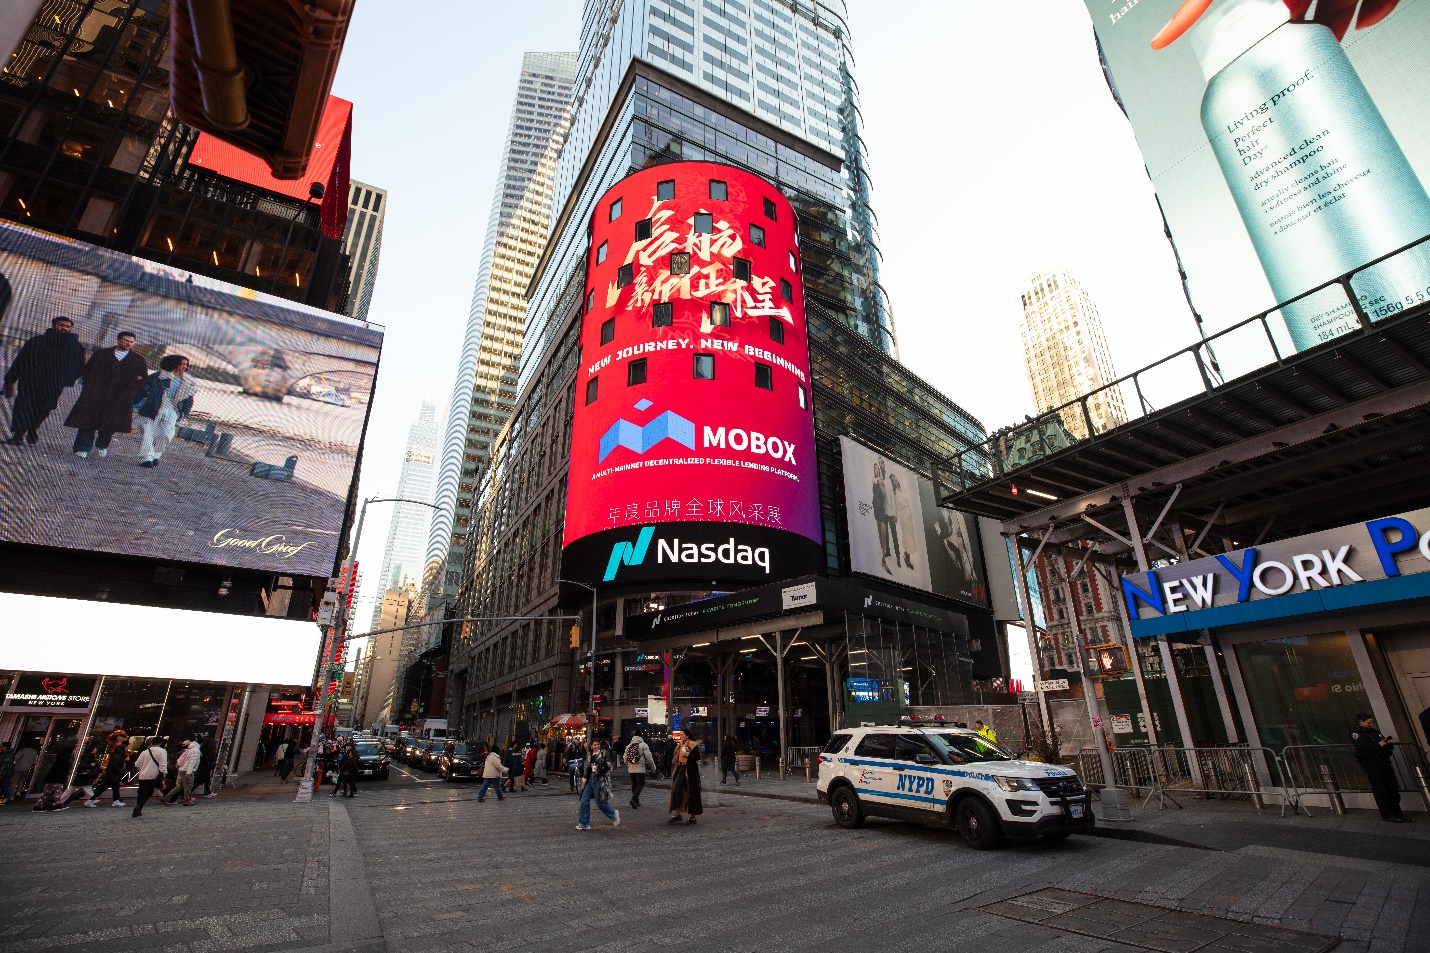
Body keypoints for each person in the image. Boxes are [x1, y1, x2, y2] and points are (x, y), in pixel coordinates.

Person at [3, 316, 85, 445]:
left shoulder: (76, 348)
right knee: (23, 409)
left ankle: (33, 428)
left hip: (53, 386)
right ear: (54, 325)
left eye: (67, 326)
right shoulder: (36, 341)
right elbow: (21, 361)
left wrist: (65, 380)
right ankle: (18, 436)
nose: (64, 328)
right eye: (61, 325)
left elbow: (78, 367)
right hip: (29, 382)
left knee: (43, 410)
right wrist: (9, 380)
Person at [65, 330, 148, 457]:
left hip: (120, 397)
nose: (128, 343)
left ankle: (102, 445)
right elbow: (87, 370)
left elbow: (142, 379)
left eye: (131, 342)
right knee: (88, 421)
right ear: (118, 340)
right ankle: (83, 448)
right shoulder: (101, 354)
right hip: (96, 394)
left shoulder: (138, 360)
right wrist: (89, 388)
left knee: (110, 424)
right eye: (126, 340)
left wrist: (131, 390)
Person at [135, 354, 196, 467]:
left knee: (167, 434)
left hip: (173, 408)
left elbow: (189, 400)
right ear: (174, 363)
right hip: (154, 405)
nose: (185, 366)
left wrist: (185, 414)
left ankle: (156, 455)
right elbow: (144, 387)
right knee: (148, 432)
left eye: (186, 364)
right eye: (182, 364)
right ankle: (146, 458)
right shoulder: (159, 376)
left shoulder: (188, 381)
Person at [1351, 712, 1408, 823]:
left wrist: (1387, 743)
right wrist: (1378, 745)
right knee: (1380, 788)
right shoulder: (1356, 733)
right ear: (1361, 722)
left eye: (1371, 722)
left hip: (1383, 761)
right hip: (1371, 763)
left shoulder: (1374, 732)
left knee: (1392, 788)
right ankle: (1387, 814)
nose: (1370, 725)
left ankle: (1398, 813)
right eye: (1368, 722)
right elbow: (1362, 747)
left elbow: (1381, 742)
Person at [575, 738, 619, 830]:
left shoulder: (604, 753)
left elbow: (609, 766)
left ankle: (613, 814)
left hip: (599, 780)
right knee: (584, 801)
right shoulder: (589, 755)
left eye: (598, 744)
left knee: (600, 803)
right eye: (594, 745)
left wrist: (599, 770)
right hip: (589, 780)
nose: (596, 746)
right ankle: (584, 823)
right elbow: (587, 767)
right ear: (591, 746)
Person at [667, 730, 703, 826]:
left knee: (691, 792)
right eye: (680, 734)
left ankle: (692, 816)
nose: (681, 736)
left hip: (690, 770)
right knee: (676, 789)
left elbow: (697, 756)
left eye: (682, 734)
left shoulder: (692, 744)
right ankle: (677, 813)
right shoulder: (679, 745)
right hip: (680, 769)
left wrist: (687, 754)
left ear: (687, 735)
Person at [87, 730, 128, 807]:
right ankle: (91, 799)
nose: (126, 750)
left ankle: (115, 800)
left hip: (112, 775)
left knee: (112, 788)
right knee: (106, 788)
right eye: (125, 748)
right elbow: (115, 766)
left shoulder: (116, 755)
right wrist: (121, 771)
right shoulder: (117, 756)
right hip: (113, 775)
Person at [130, 736, 168, 817]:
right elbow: (163, 765)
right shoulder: (162, 751)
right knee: (148, 793)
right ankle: (139, 807)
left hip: (143, 775)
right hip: (153, 775)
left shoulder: (145, 752)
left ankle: (138, 808)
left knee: (141, 792)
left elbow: (137, 764)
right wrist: (163, 775)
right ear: (160, 743)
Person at [164, 739, 200, 806]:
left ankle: (166, 798)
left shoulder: (188, 750)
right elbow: (192, 762)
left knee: (180, 786)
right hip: (187, 770)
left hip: (182, 769)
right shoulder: (195, 751)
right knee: (188, 786)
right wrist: (189, 772)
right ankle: (187, 800)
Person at [624, 733, 656, 808]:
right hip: (640, 768)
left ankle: (636, 801)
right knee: (640, 784)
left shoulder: (629, 746)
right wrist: (653, 768)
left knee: (634, 784)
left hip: (631, 769)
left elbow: (625, 758)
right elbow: (649, 759)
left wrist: (628, 766)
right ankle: (634, 799)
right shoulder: (644, 745)